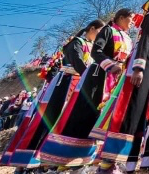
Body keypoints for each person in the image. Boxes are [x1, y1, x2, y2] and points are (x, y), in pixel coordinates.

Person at [0, 19, 105, 172]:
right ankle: (32, 159)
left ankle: (59, 158)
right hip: (66, 83)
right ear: (92, 28)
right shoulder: (75, 42)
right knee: (53, 117)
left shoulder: (93, 47)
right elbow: (76, 61)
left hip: (80, 84)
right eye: (99, 32)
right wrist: (87, 76)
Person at [94, 0, 149, 174]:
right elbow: (146, 39)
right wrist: (138, 67)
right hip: (145, 61)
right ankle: (108, 163)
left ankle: (130, 164)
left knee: (142, 112)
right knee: (131, 108)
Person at [39, 12, 132, 172]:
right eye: (130, 19)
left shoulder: (128, 39)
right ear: (122, 18)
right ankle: (67, 158)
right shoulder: (107, 31)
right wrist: (109, 65)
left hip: (115, 80)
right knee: (85, 115)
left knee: (108, 117)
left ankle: (100, 159)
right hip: (98, 77)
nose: (132, 23)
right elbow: (96, 52)